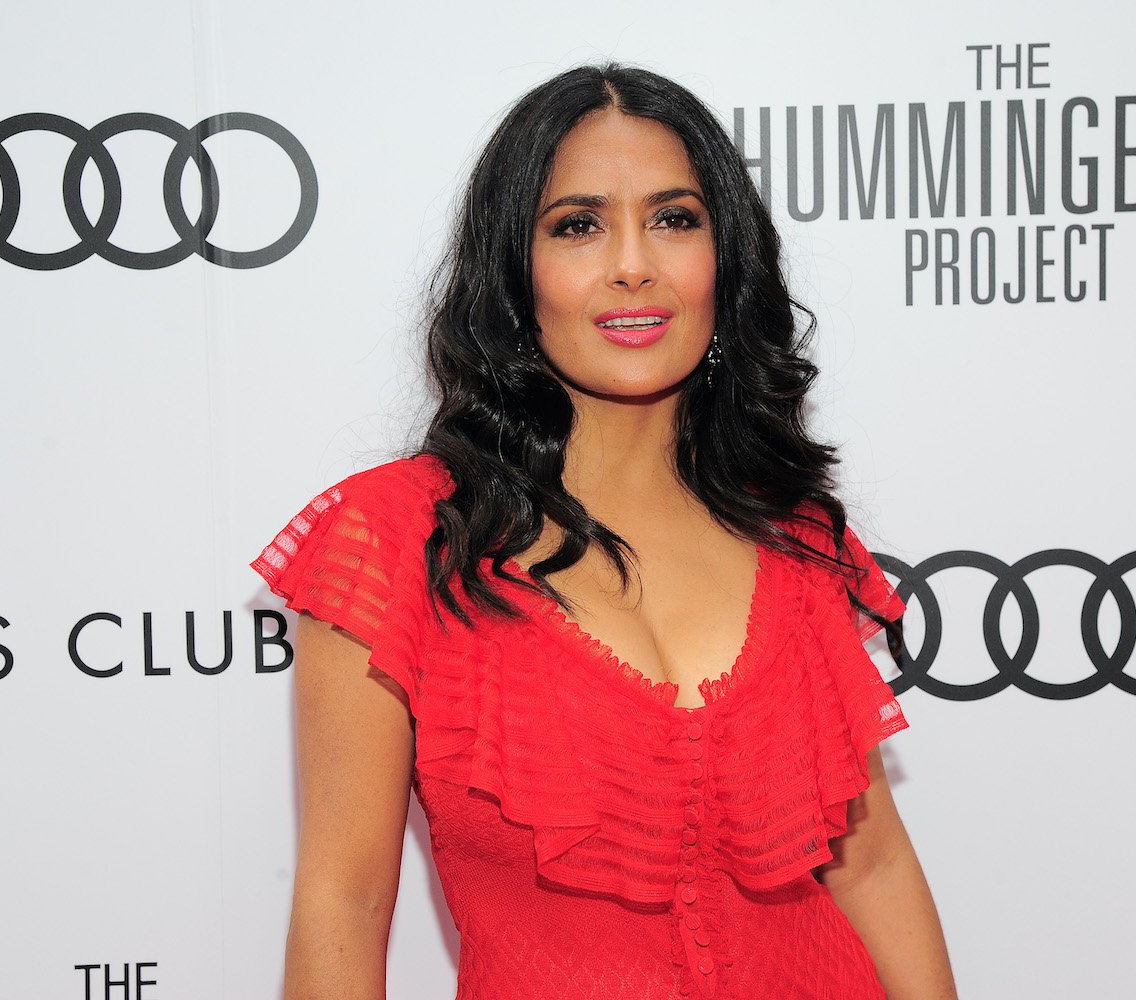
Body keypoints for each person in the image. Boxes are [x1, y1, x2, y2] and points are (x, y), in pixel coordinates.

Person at [252, 62, 958, 1000]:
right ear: (515, 270)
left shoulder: (794, 536)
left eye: (675, 219)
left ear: (724, 260)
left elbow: (868, 868)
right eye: (578, 225)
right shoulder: (398, 539)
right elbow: (344, 901)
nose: (634, 263)